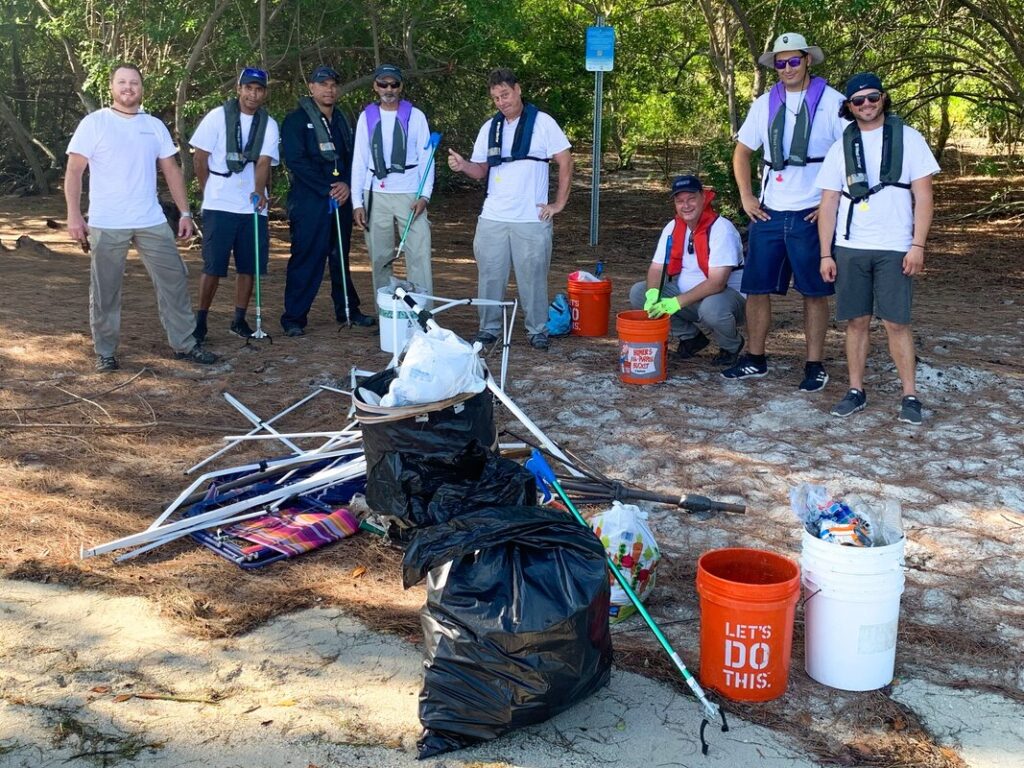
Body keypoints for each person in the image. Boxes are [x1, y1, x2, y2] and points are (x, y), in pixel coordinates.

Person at [64, 63, 217, 372]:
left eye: (134, 82)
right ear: (111, 87)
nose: (128, 87)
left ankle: (185, 344)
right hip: (107, 221)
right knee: (105, 289)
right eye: (122, 82)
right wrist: (74, 215)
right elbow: (74, 171)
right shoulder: (95, 123)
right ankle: (106, 351)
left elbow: (171, 170)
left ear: (141, 88)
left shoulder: (154, 126)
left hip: (150, 218)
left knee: (174, 278)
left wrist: (186, 212)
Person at [817, 72, 939, 426]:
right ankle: (856, 389)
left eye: (873, 98)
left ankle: (910, 394)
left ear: (883, 98)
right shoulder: (841, 146)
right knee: (855, 321)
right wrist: (826, 252)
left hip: (895, 246)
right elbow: (828, 202)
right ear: (849, 106)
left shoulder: (909, 139)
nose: (866, 105)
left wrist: (918, 244)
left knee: (896, 322)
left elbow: (924, 195)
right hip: (851, 245)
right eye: (858, 101)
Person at [726, 32, 846, 390]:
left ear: (808, 60)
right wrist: (747, 198)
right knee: (757, 288)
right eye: (780, 62)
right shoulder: (764, 104)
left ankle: (814, 364)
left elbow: (852, 153)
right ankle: (756, 358)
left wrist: (832, 204)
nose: (788, 68)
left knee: (814, 291)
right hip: (771, 210)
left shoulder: (833, 102)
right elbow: (742, 152)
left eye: (794, 60)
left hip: (811, 210)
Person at [447, 68, 573, 351]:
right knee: (490, 275)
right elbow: (480, 170)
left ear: (518, 89)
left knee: (533, 276)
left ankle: (537, 329)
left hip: (531, 217)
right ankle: (488, 328)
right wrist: (463, 165)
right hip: (493, 216)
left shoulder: (543, 123)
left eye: (505, 94)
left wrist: (559, 203)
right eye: (495, 98)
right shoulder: (490, 128)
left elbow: (565, 161)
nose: (501, 102)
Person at [280, 65, 375, 336]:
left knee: (339, 257)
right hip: (310, 202)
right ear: (311, 87)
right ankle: (294, 318)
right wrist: (328, 188)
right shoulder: (296, 121)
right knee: (306, 257)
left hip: (341, 200)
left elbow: (353, 158)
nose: (329, 89)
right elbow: (296, 161)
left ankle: (348, 310)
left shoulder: (343, 121)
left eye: (333, 84)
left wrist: (346, 184)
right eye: (322, 84)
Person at [189, 67, 280, 341]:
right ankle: (201, 321)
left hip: (252, 205)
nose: (253, 94)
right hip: (220, 203)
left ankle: (239, 319)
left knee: (249, 265)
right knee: (213, 266)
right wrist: (210, 190)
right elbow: (200, 158)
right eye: (248, 88)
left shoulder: (269, 124)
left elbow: (263, 162)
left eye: (259, 89)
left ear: (264, 93)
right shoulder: (217, 117)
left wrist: (259, 191)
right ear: (239, 89)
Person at [628, 175, 745, 366]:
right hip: (688, 300)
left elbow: (717, 282)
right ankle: (691, 338)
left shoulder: (721, 228)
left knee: (711, 309)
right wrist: (652, 295)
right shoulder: (673, 227)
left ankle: (731, 346)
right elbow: (657, 268)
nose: (686, 205)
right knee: (639, 292)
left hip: (726, 301)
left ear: (703, 197)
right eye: (680, 201)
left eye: (691, 199)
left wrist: (675, 303)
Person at [351, 64, 434, 298]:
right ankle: (386, 315)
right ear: (375, 87)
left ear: (401, 87)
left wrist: (424, 196)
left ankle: (422, 315)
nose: (389, 89)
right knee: (380, 256)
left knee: (418, 254)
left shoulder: (415, 116)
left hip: (410, 193)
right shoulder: (366, 117)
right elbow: (359, 159)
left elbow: (427, 158)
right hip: (376, 192)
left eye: (394, 84)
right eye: (383, 84)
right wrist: (357, 202)